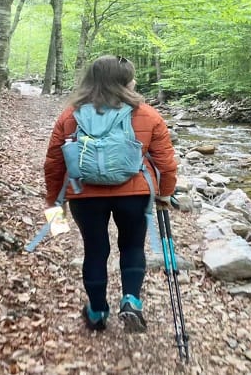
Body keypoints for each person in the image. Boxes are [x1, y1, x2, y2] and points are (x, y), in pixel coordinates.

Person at [44, 55, 178, 333]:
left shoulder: (71, 115)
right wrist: (164, 194)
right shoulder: (147, 114)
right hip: (135, 193)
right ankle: (130, 300)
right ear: (124, 81)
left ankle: (96, 312)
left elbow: (54, 163)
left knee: (95, 250)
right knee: (131, 246)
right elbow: (165, 163)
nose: (135, 80)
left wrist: (54, 203)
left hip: (85, 194)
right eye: (131, 76)